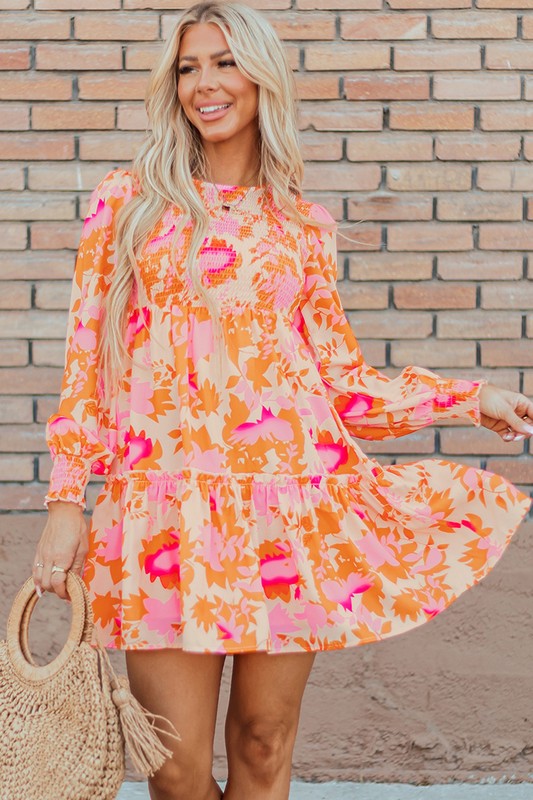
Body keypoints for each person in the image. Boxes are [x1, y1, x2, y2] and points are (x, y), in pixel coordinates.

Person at [32, 2, 532, 799]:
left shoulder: (301, 225)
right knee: (174, 769)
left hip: (287, 511)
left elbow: (342, 386)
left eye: (225, 62)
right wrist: (67, 499)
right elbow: (85, 363)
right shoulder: (128, 204)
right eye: (188, 68)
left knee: (264, 746)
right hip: (165, 509)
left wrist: (471, 398)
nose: (205, 84)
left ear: (262, 77)